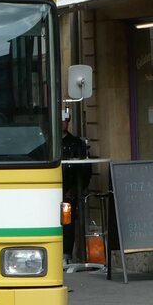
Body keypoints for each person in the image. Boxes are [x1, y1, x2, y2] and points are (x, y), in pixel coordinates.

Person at [60, 108, 91, 262]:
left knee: (67, 222)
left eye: (65, 120)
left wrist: (76, 189)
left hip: (69, 190)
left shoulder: (76, 144)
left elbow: (85, 169)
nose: (62, 123)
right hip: (52, 190)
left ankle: (67, 253)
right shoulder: (48, 142)